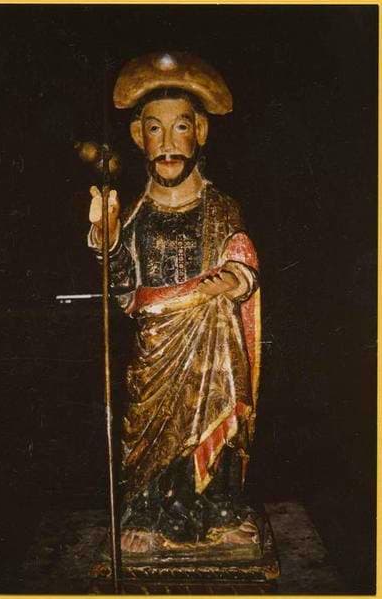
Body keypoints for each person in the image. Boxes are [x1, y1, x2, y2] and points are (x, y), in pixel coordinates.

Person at [88, 52, 261, 553]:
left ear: (200, 132)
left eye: (180, 127)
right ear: (138, 137)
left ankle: (221, 510)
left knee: (216, 415)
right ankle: (145, 513)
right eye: (154, 130)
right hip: (157, 346)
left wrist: (233, 280)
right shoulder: (135, 214)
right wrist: (107, 237)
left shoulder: (221, 206)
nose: (167, 144)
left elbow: (242, 259)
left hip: (213, 348)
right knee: (147, 430)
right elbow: (123, 288)